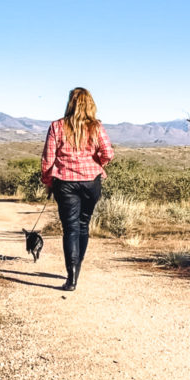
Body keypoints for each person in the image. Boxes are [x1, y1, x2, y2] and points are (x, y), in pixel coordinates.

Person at [40, 87, 115, 291]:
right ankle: (77, 269)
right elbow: (108, 152)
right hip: (92, 181)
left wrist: (48, 181)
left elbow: (48, 158)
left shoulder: (57, 126)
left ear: (70, 103)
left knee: (70, 228)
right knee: (83, 225)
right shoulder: (96, 127)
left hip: (65, 182)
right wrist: (96, 163)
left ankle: (71, 278)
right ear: (90, 104)